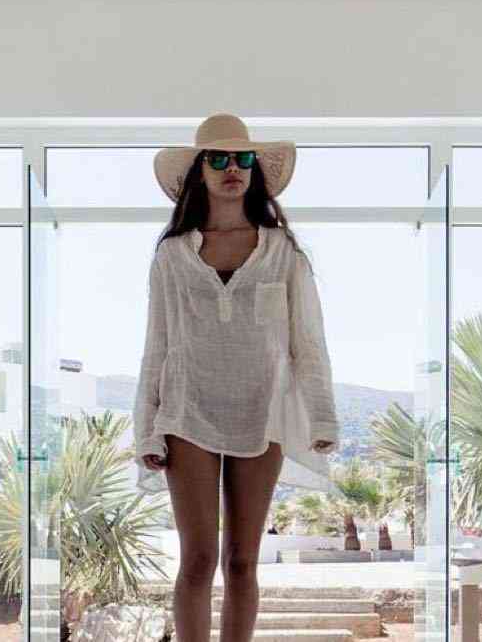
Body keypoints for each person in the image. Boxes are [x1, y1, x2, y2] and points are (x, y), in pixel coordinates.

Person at [133, 112, 339, 642]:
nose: (233, 168)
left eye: (243, 158)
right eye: (219, 159)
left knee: (243, 561)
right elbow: (157, 346)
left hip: (264, 410)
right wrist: (147, 430)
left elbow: (307, 341)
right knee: (198, 559)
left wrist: (321, 417)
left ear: (255, 170)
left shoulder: (283, 251)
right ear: (199, 171)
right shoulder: (172, 255)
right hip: (187, 410)